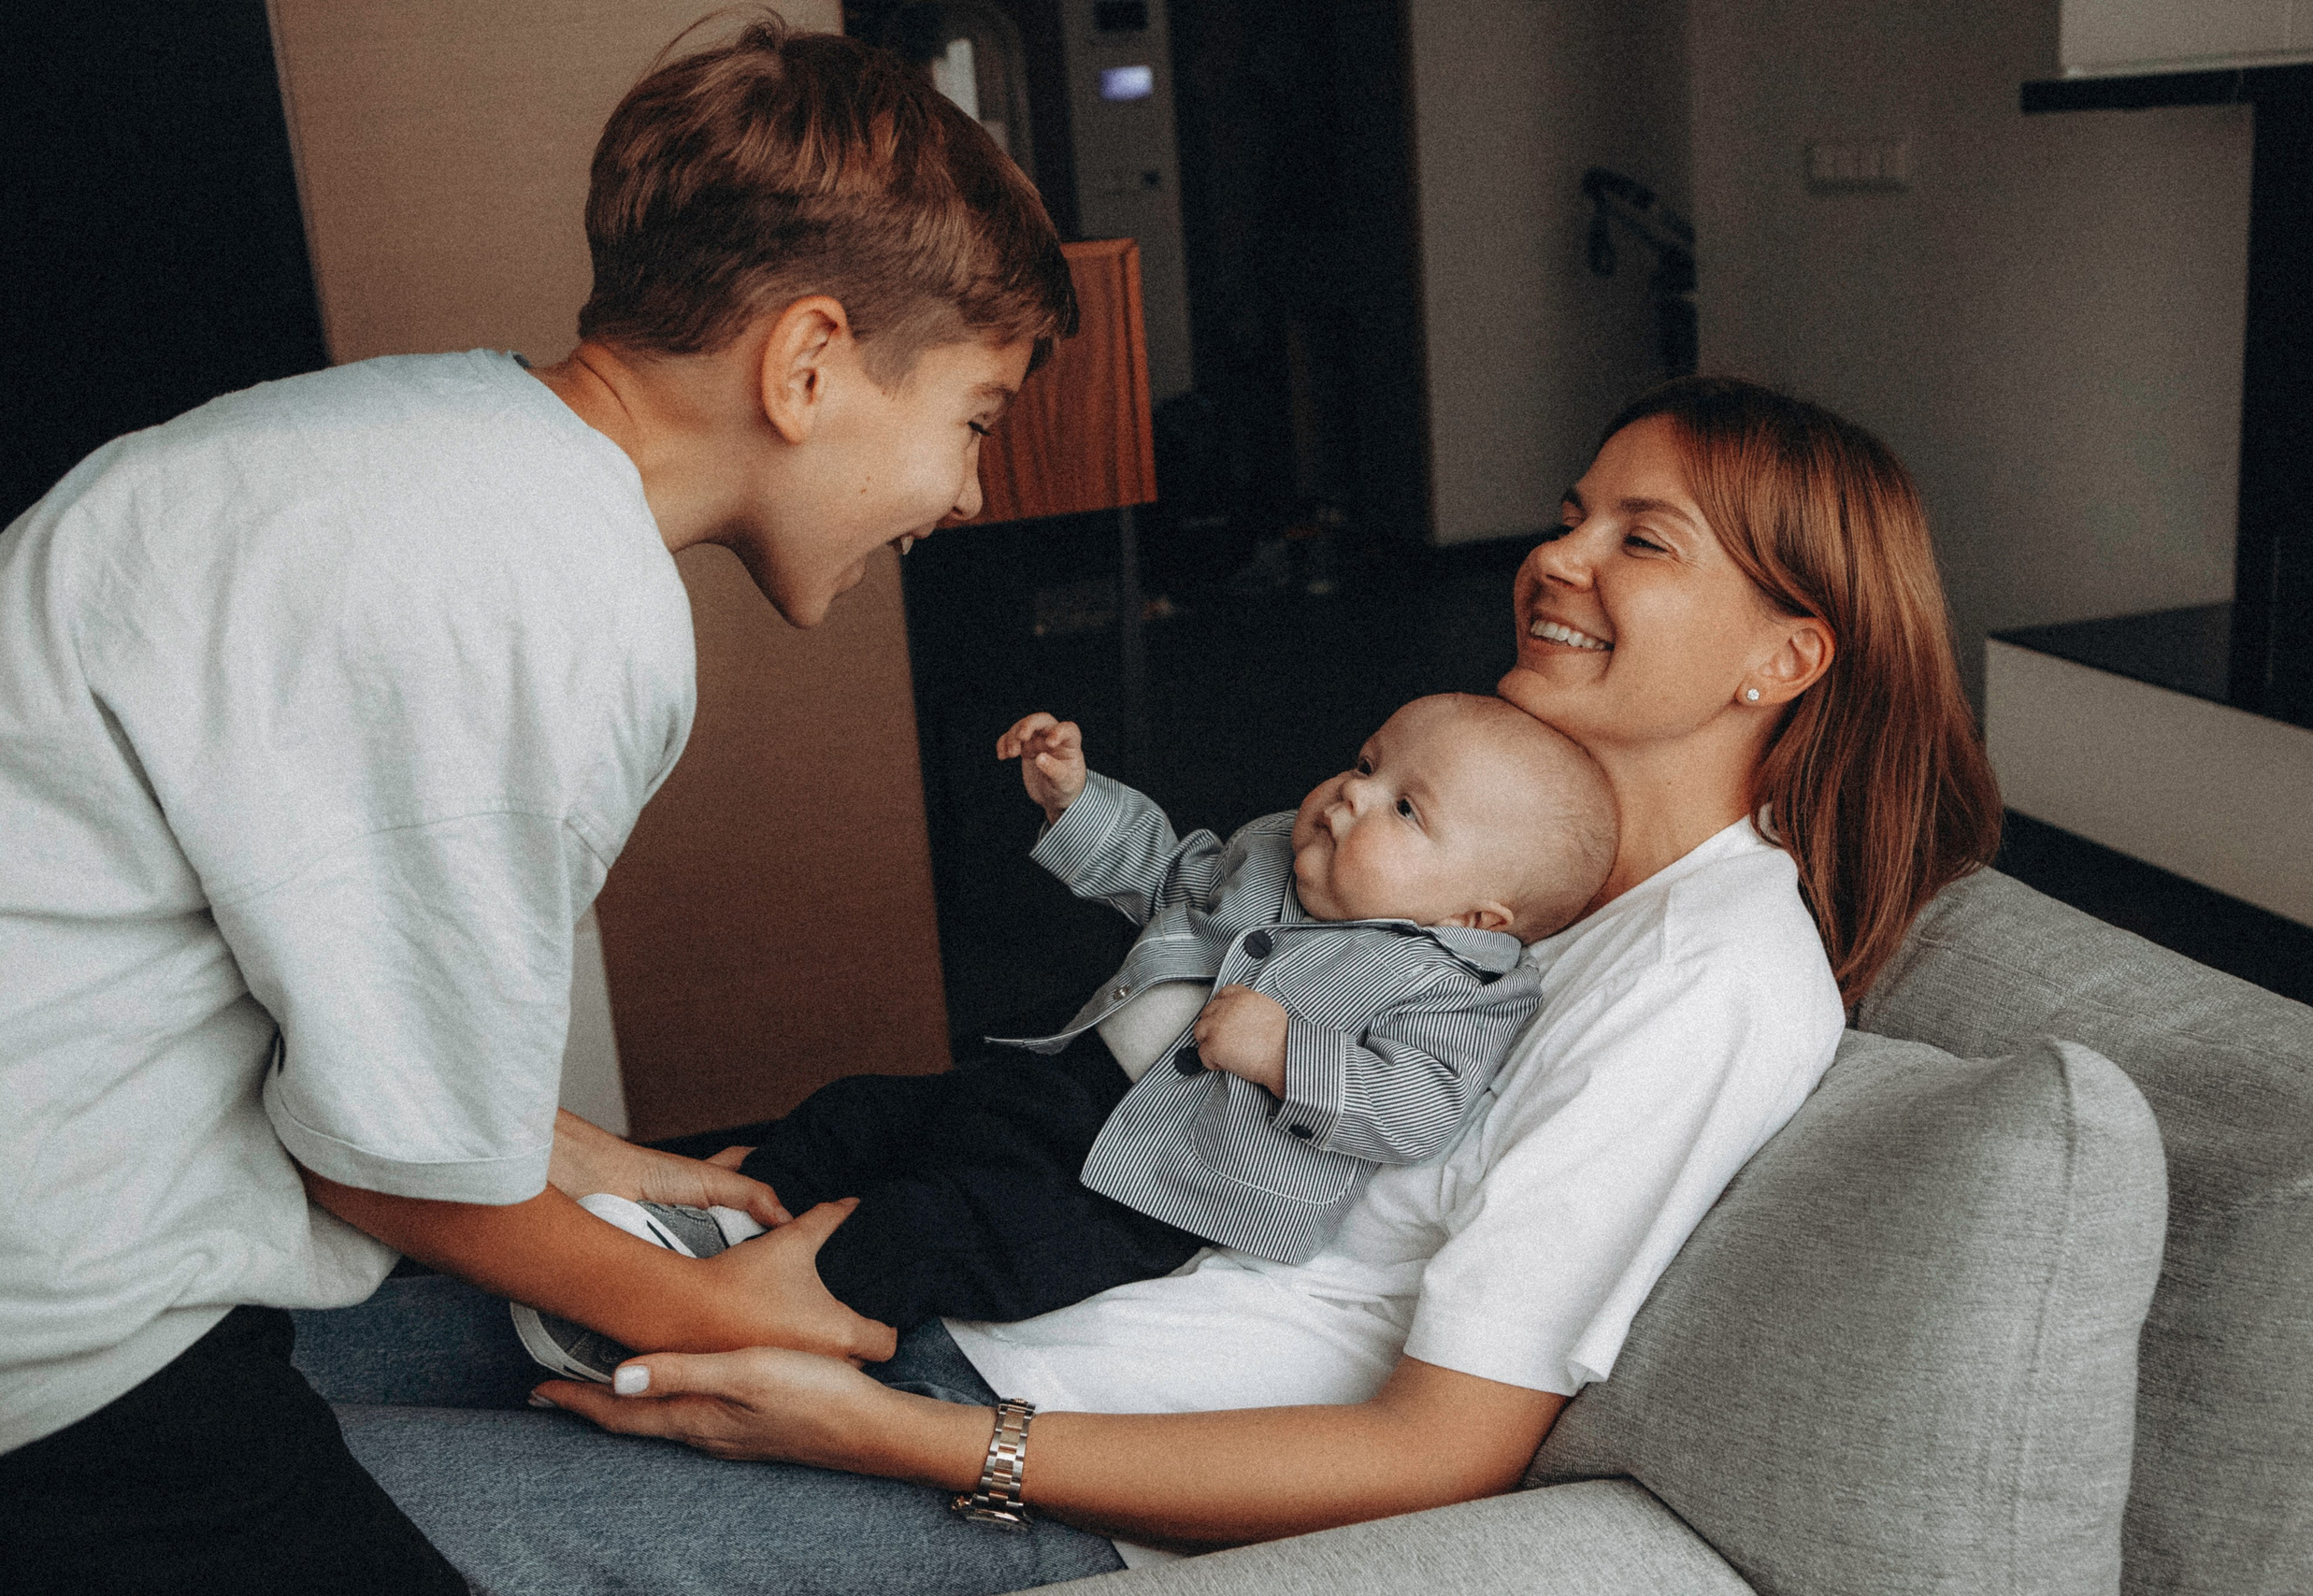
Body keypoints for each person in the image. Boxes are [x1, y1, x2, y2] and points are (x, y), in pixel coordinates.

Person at [294, 373, 2004, 1594]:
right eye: (1570, 516)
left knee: (262, 1508)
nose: (1558, 559)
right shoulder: (1495, 848)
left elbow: (1442, 1447)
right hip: (947, 1278)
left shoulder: (1711, 974)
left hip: (1006, 1424)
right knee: (267, 1337)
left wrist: (909, 1442)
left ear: (1789, 655)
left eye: (1648, 540)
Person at [0, 24, 1074, 1595]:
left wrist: (591, 1158)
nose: (969, 494)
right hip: (50, 1314)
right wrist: (734, 1316)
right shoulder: (558, 606)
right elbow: (386, 1163)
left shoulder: (436, 451)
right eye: (976, 419)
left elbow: (324, 979)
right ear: (809, 364)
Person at [512, 692, 1615, 1378]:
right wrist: (1075, 797)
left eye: (1405, 811)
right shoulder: (1276, 853)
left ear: (1480, 917)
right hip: (1057, 1089)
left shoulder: (1460, 990)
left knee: (934, 1226)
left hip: (1136, 1194)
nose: (1349, 799)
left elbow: (1415, 1107)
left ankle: (717, 1320)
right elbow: (1166, 873)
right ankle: (724, 1217)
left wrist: (1287, 1052)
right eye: (1367, 763)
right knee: (863, 1111)